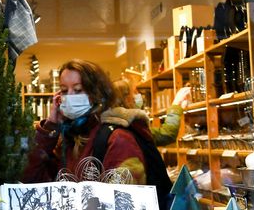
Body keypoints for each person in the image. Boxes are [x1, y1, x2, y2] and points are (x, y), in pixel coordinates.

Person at [23, 59, 158, 185]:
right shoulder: (68, 139)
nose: (69, 96)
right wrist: (51, 126)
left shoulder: (118, 139)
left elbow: (122, 202)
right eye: (64, 90)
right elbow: (30, 180)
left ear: (97, 94)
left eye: (77, 90)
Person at [112, 80, 191, 146]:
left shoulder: (115, 123)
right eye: (134, 93)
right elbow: (167, 134)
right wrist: (176, 104)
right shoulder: (131, 127)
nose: (138, 96)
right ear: (127, 98)